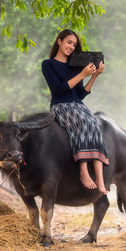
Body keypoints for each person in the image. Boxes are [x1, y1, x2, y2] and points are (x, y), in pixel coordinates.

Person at [41, 29, 109, 195]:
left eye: (74, 44)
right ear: (60, 41)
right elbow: (58, 90)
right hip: (61, 105)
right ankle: (83, 171)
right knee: (83, 123)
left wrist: (93, 76)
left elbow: (79, 94)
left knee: (93, 123)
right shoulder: (48, 64)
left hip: (77, 104)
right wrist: (82, 75)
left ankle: (100, 180)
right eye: (69, 42)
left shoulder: (74, 67)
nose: (71, 46)